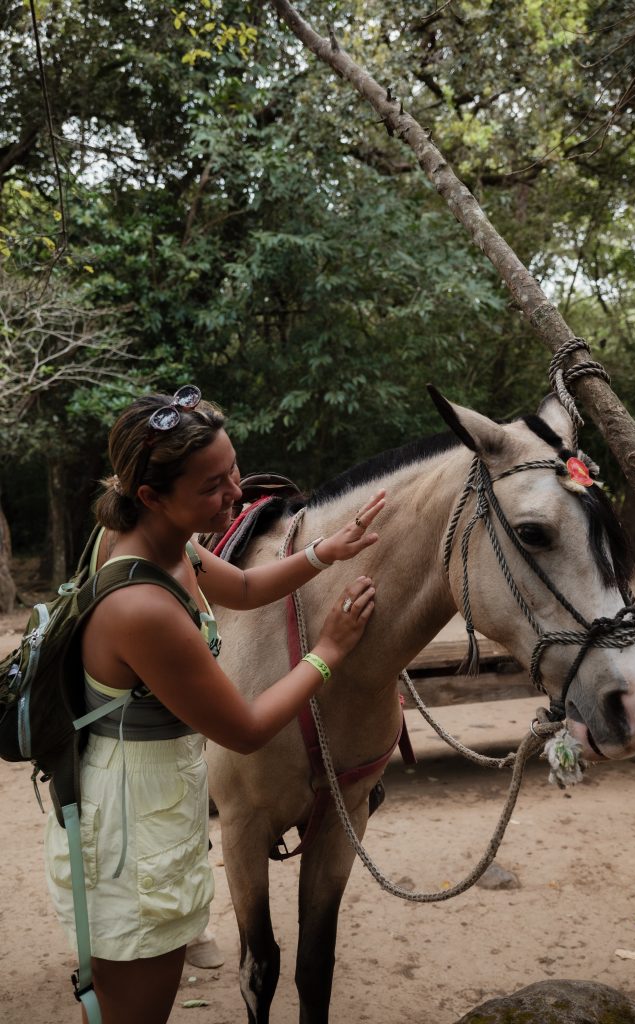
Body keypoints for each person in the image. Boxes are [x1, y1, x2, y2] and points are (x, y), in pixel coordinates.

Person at [44, 385, 385, 1024]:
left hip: (156, 807)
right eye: (212, 486)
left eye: (233, 470)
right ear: (149, 494)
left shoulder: (169, 543)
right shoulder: (142, 607)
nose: (235, 494)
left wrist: (322, 552)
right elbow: (247, 727)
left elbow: (250, 585)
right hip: (131, 828)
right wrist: (329, 652)